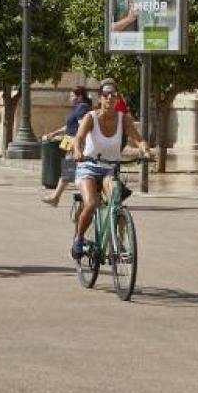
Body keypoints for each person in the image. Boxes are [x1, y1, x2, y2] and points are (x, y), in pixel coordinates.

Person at [70, 81, 149, 260]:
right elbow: (78, 138)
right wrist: (77, 151)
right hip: (88, 167)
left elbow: (138, 138)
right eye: (106, 94)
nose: (110, 98)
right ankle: (79, 238)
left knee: (116, 202)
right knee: (91, 203)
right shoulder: (91, 117)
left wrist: (145, 150)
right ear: (100, 98)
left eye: (113, 95)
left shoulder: (123, 119)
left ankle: (119, 244)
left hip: (109, 169)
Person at [41, 86, 92, 207]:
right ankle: (57, 198)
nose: (70, 98)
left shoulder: (82, 108)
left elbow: (82, 126)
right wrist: (54, 133)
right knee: (71, 172)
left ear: (79, 96)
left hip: (77, 145)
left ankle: (56, 198)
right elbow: (69, 126)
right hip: (73, 143)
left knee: (69, 171)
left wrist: (78, 143)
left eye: (72, 96)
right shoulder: (79, 108)